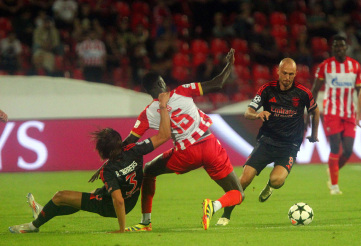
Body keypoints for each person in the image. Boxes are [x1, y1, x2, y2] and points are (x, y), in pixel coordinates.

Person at [8, 92, 171, 234]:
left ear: (102, 152)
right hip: (131, 200)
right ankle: (44, 212)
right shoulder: (134, 150)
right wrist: (163, 106)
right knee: (82, 198)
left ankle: (33, 225)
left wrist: (122, 229)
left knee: (60, 196)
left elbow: (118, 200)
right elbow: (164, 135)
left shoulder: (108, 170)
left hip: (111, 206)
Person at [124, 48, 244, 231]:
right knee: (237, 193)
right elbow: (217, 84)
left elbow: (130, 141)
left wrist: (110, 157)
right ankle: (214, 206)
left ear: (147, 91)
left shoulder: (147, 113)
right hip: (210, 145)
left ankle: (145, 221)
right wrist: (229, 64)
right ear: (162, 82)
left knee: (149, 170)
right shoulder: (183, 91)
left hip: (186, 154)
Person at [217, 58, 320, 226]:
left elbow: (315, 112)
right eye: (284, 73)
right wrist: (257, 114)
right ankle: (227, 214)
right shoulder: (266, 90)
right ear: (278, 72)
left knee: (277, 180)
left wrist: (314, 134)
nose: (287, 77)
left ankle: (270, 187)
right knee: (243, 180)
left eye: (291, 74)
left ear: (296, 74)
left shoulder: (303, 93)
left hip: (289, 146)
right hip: (267, 142)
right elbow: (248, 112)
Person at [309, 35, 361, 195]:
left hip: (349, 113)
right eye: (336, 46)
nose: (339, 48)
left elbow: (360, 91)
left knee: (347, 150)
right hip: (332, 112)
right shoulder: (326, 66)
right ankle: (334, 186)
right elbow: (315, 89)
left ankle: (333, 169)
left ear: (346, 48)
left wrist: (359, 112)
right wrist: (310, 108)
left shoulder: (355, 66)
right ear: (333, 49)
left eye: (342, 46)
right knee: (334, 146)